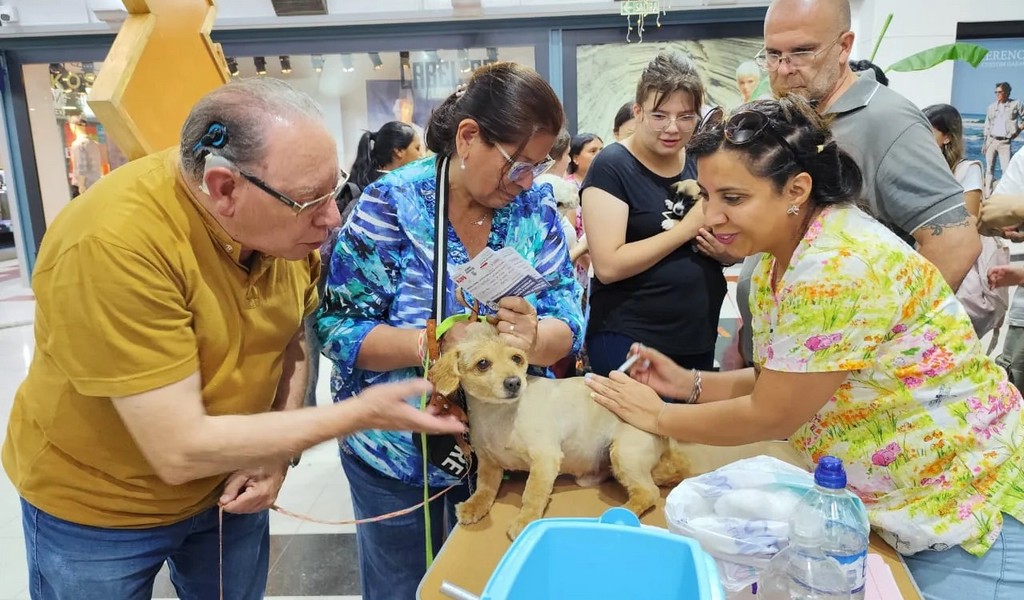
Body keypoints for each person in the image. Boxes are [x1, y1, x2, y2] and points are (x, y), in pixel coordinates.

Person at [1, 78, 464, 600]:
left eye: (332, 191)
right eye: (311, 201)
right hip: (102, 511)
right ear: (224, 189)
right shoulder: (113, 245)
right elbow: (177, 449)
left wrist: (275, 451)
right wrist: (362, 412)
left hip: (232, 487)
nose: (332, 218)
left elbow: (292, 342)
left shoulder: (282, 230)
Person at [585, 96, 1024, 600]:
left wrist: (659, 416)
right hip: (900, 503)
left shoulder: (834, 265)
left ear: (796, 189)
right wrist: (692, 384)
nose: (711, 216)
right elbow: (789, 375)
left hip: (962, 510)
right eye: (705, 195)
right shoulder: (785, 256)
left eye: (732, 197)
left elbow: (772, 413)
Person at [317, 62, 585, 599]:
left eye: (539, 166)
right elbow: (338, 328)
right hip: (398, 450)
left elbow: (568, 320)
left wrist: (534, 335)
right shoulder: (391, 203)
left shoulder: (534, 209)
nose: (529, 182)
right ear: (468, 137)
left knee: (487, 578)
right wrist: (429, 344)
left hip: (507, 446)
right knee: (403, 586)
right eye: (517, 165)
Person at [759, 0, 978, 290]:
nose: (783, 69)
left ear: (844, 46)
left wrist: (890, 331)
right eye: (774, 55)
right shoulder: (796, 114)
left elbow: (956, 243)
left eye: (802, 52)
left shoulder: (887, 120)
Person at [581, 51, 728, 377]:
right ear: (638, 112)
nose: (672, 128)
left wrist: (725, 252)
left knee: (687, 429)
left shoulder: (697, 159)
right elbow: (607, 265)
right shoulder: (613, 165)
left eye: (686, 116)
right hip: (632, 337)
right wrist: (683, 230)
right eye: (660, 116)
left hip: (696, 335)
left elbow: (718, 230)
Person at [924, 103, 983, 215]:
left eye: (928, 132)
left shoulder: (967, 170)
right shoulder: (915, 165)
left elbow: (971, 219)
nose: (921, 137)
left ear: (947, 137)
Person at [349, 120, 423, 191]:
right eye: (417, 148)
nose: (421, 155)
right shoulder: (386, 190)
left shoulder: (371, 183)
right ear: (398, 151)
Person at [984, 82, 1023, 195]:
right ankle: (988, 196)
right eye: (996, 92)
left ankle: (1004, 196)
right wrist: (984, 144)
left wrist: (1017, 131)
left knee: (1006, 171)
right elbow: (987, 125)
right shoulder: (991, 107)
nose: (997, 94)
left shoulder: (1016, 104)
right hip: (991, 141)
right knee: (989, 169)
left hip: (1005, 143)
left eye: (1000, 92)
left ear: (1006, 92)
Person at [69, 115, 103, 193]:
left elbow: (81, 166)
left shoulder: (78, 144)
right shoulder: (93, 143)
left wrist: (81, 185)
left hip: (84, 186)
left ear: (73, 126)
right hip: (96, 183)